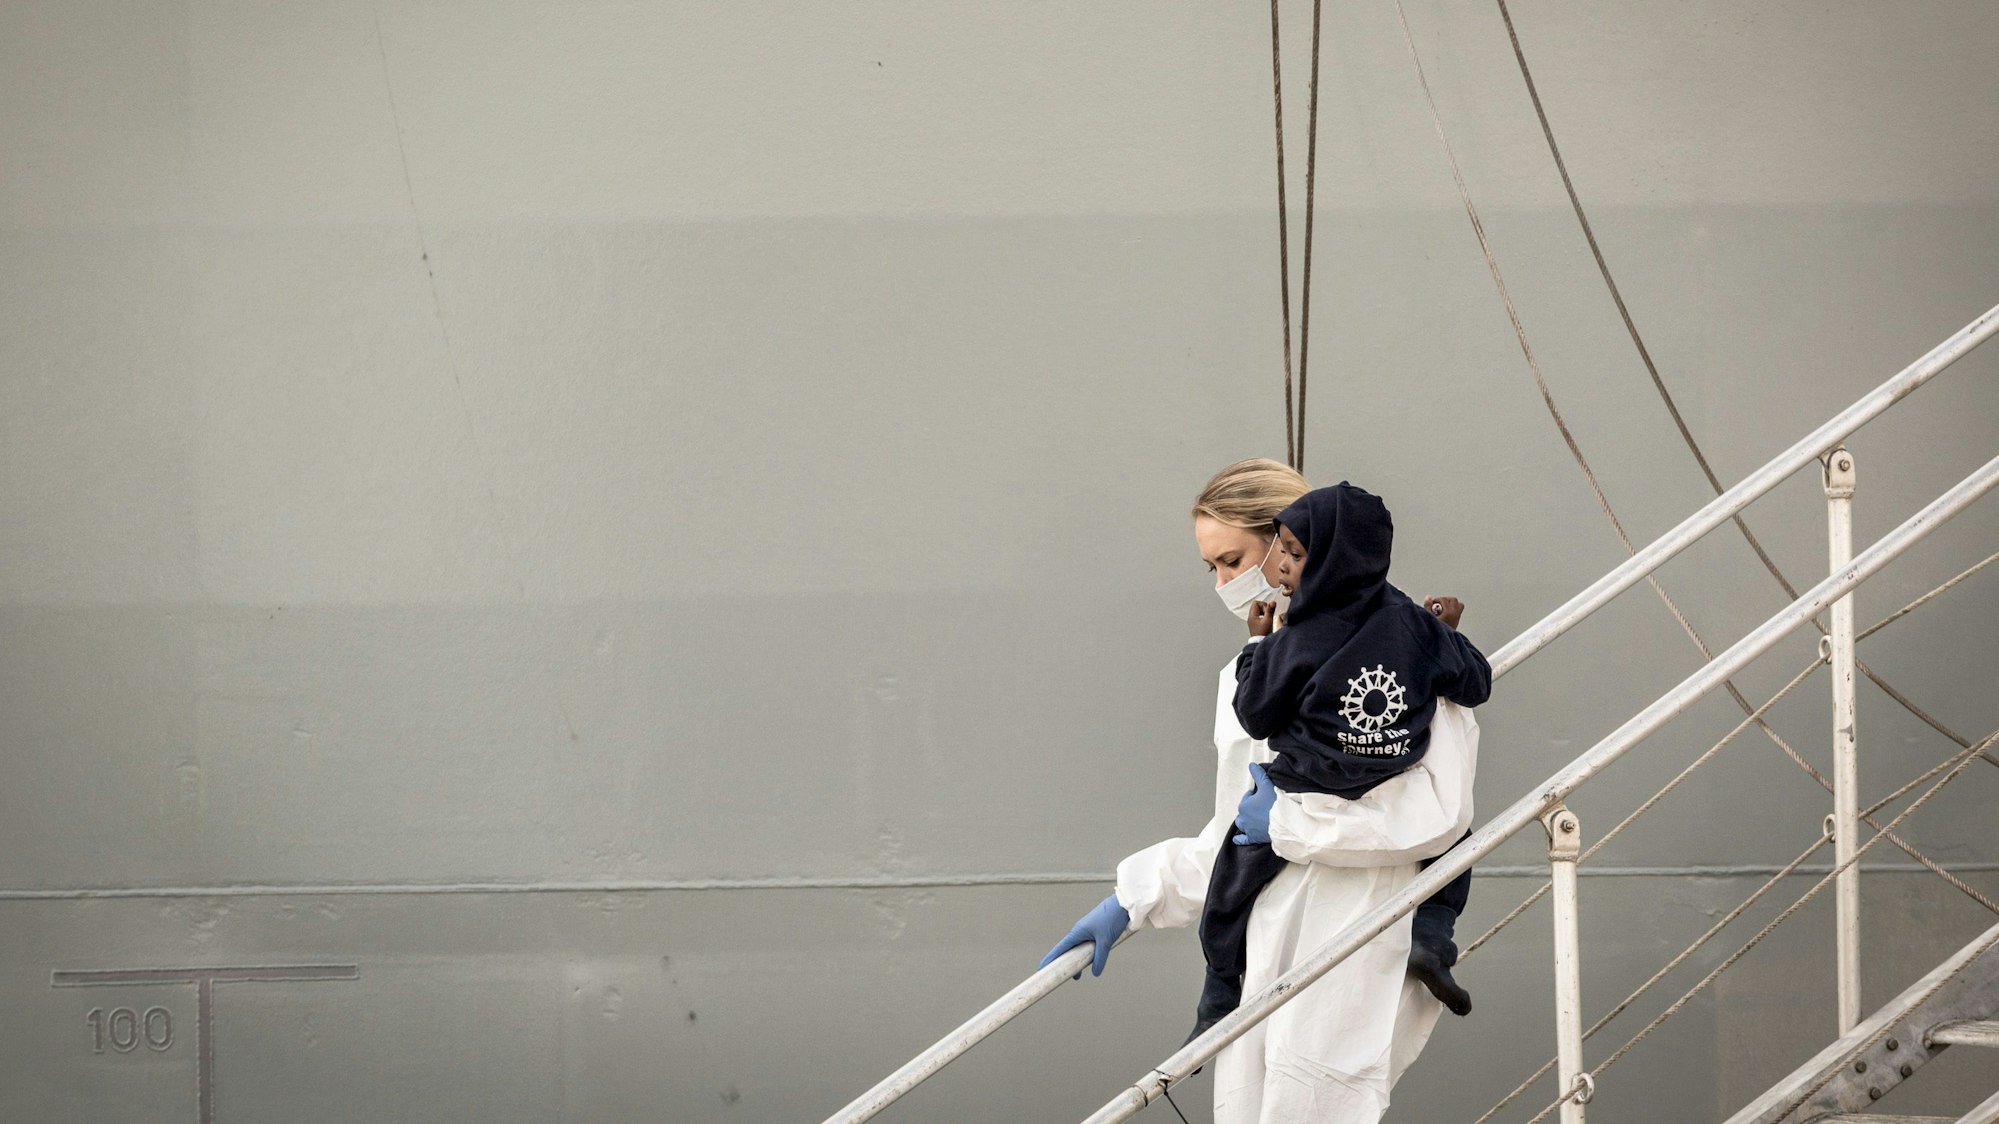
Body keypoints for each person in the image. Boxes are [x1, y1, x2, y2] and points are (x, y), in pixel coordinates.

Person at [1039, 457, 1483, 1124]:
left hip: (1356, 929)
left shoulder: (1405, 656)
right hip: (1266, 934)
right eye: (1210, 568)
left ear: (1286, 544)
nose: (1223, 582)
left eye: (1232, 559)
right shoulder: (1243, 675)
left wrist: (1289, 826)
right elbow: (1236, 830)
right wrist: (1137, 895)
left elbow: (1439, 815)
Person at [1191, 482, 1490, 1043]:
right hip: (1392, 777)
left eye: (1292, 553)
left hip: (1305, 785)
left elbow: (1256, 716)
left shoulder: (1296, 639)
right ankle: (1432, 936)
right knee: (1456, 844)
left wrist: (1256, 648)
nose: (1280, 568)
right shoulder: (1414, 626)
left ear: (1330, 558)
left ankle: (1217, 991)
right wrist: (1448, 635)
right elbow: (1476, 682)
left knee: (1233, 872)